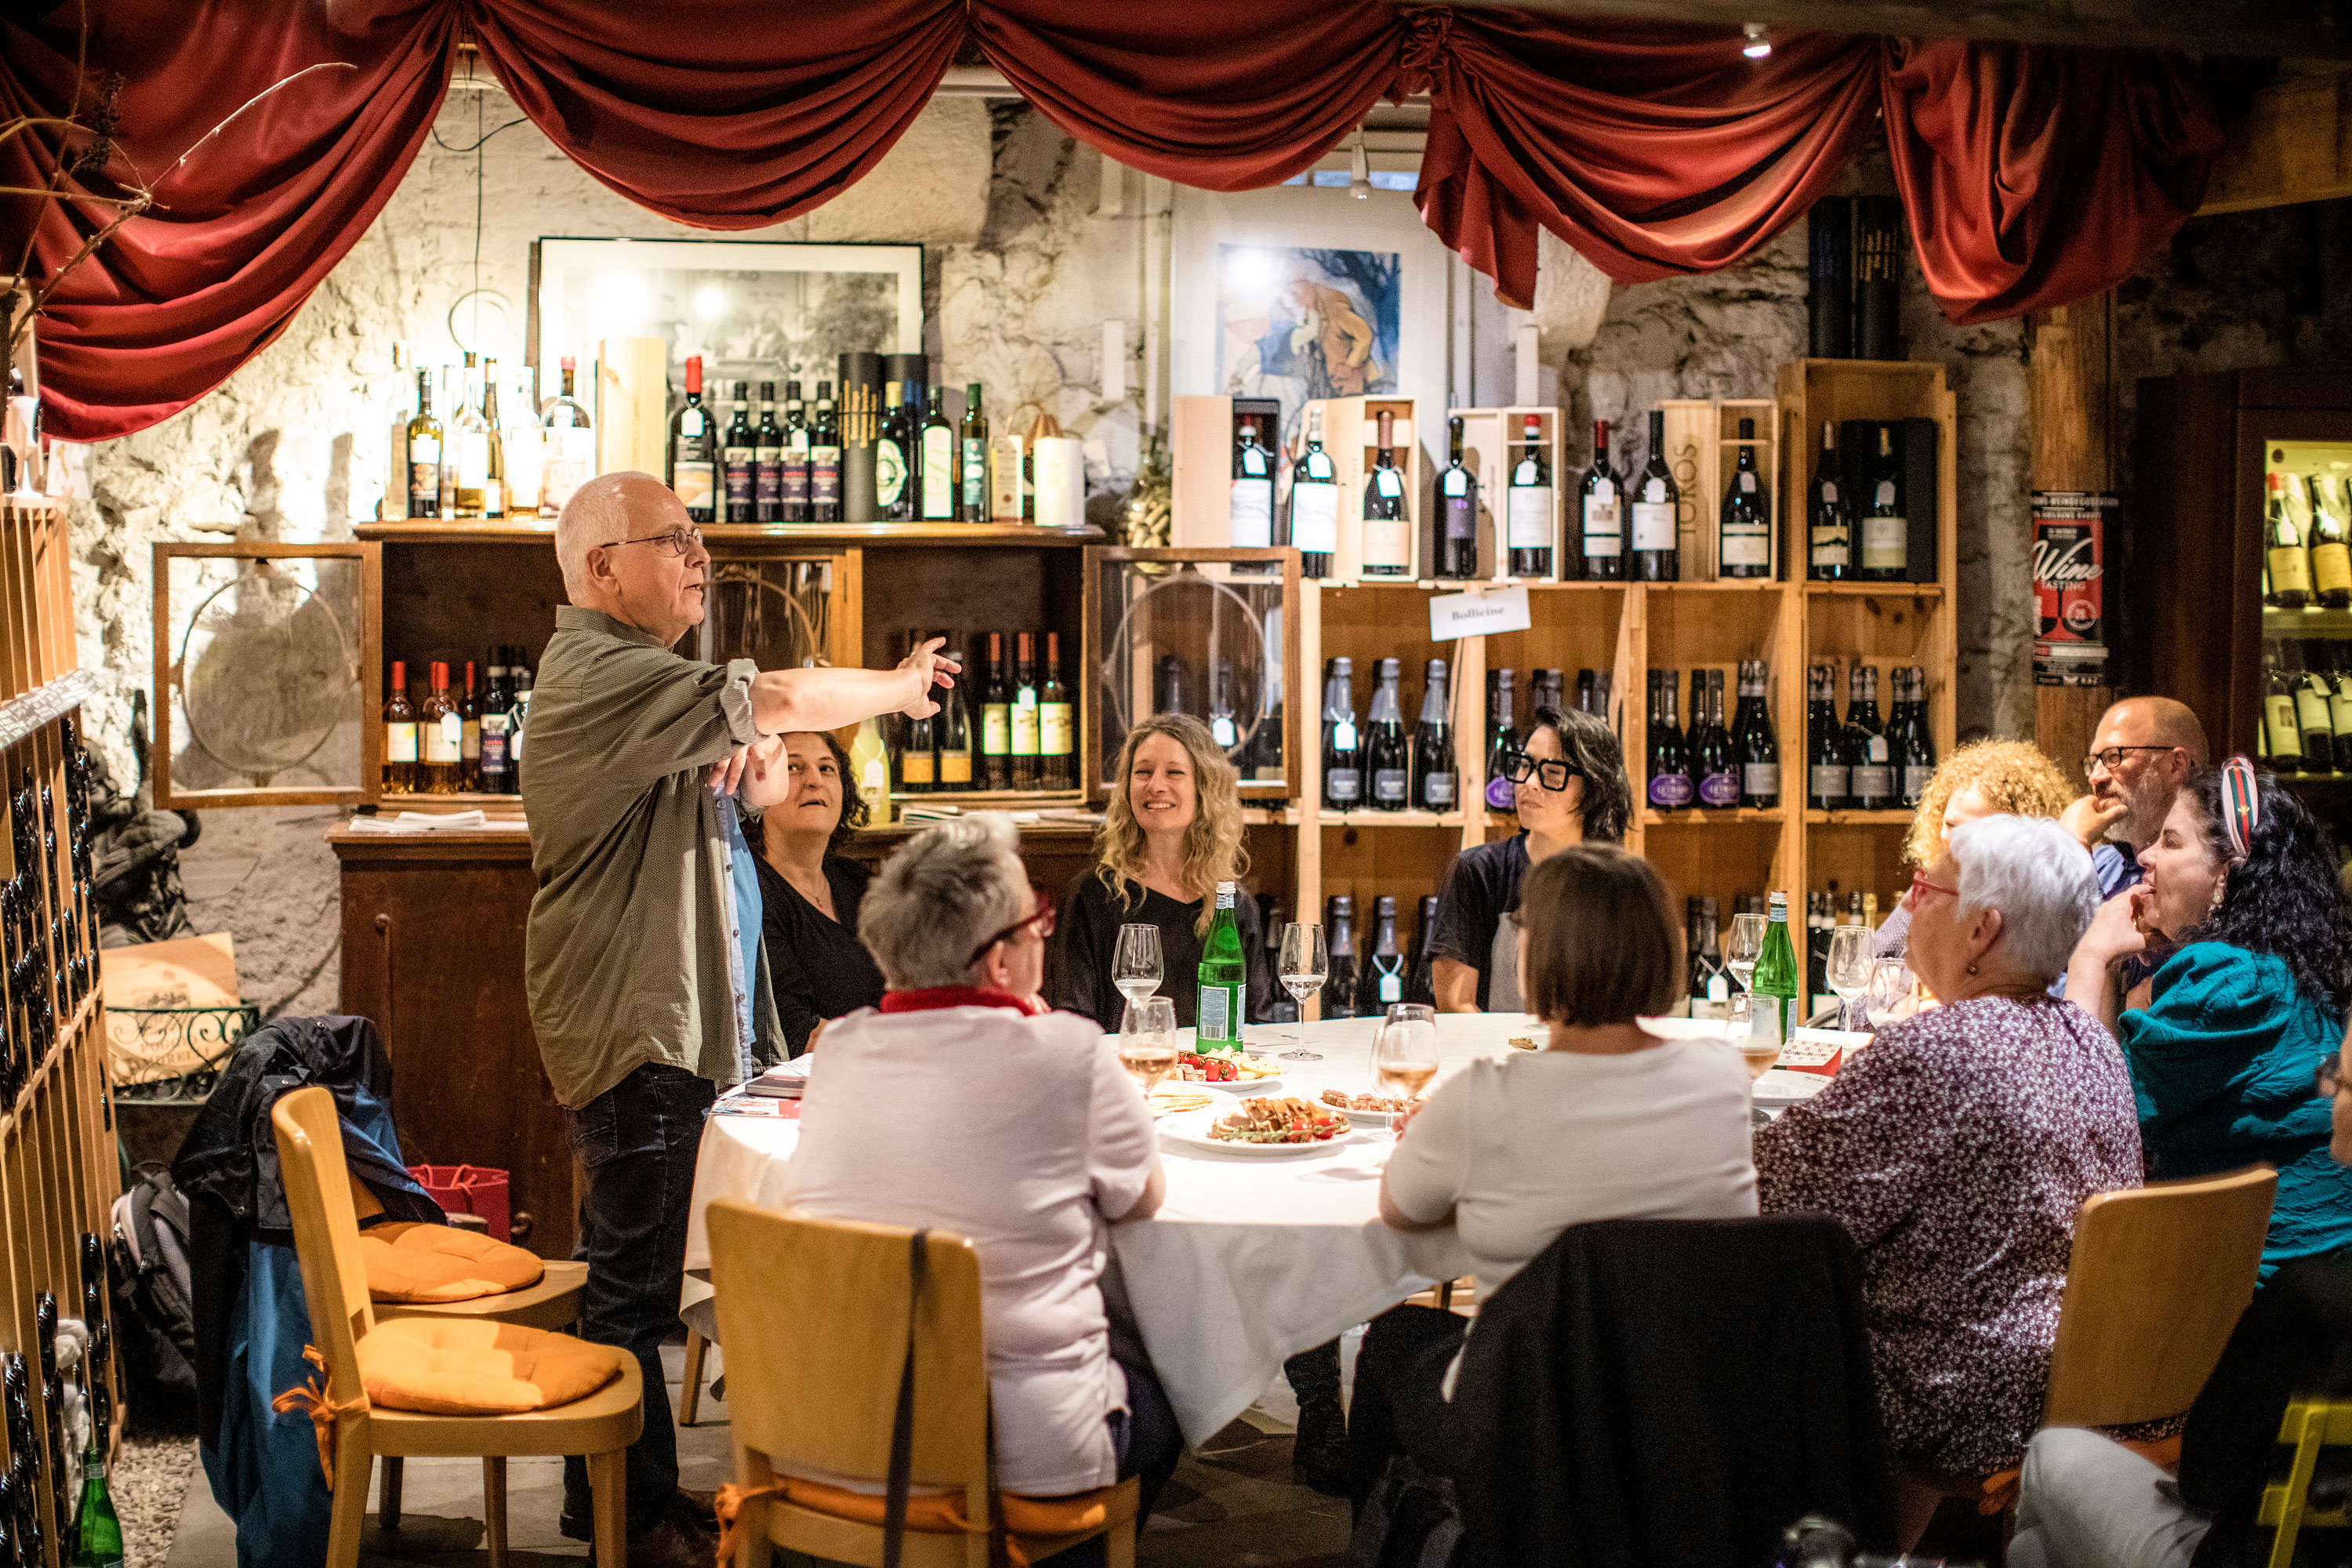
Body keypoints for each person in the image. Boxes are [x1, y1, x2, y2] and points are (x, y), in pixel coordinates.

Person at [522, 471, 956, 1567]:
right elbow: (785, 700)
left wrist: (750, 763)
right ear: (600, 568)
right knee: (632, 1288)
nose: (698, 556)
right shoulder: (601, 671)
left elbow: (751, 785)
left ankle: (605, 1498)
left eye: (697, 536)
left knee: (634, 1271)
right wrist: (899, 689)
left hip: (672, 1020)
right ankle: (632, 1515)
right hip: (639, 1021)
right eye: (671, 539)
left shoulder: (646, 680)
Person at [779, 815, 1181, 1553]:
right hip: (1025, 1457)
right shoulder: (1070, 1053)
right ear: (999, 962)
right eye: (1039, 922)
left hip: (839, 1435)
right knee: (1178, 1382)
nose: (1045, 936)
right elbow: (1144, 1200)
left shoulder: (837, 1052)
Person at [1756, 815, 2142, 1548]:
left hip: (1951, 1399)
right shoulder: (2093, 1039)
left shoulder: (1936, 1052)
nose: (1908, 902)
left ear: (1982, 930)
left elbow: (1763, 1193)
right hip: (2075, 1386)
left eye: (1925, 887)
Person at [1346, 844, 1758, 1511]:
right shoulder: (1721, 1077)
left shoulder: (1483, 1097)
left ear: (1536, 956)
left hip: (1528, 1416)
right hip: (1686, 1408)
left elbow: (1399, 1210)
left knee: (1392, 1339)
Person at [2008, 1025, 2352, 1568]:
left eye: (2344, 1081)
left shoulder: (2315, 1297)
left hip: (2256, 1557)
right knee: (2037, 1548)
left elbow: (2205, 1478)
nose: (2327, 1090)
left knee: (2051, 1451)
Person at [2066, 758, 2352, 1278]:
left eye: (2171, 843)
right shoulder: (2296, 964)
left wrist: (2090, 956)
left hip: (2255, 1294)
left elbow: (2088, 1122)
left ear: (2226, 872)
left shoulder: (2228, 977)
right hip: (2325, 1274)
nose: (2147, 857)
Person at [1055, 713, 1270, 1032]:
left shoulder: (1233, 905)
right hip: (1126, 1076)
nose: (1155, 786)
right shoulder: (1091, 895)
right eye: (1143, 772)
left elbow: (1256, 1024)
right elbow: (1072, 1025)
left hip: (1213, 1078)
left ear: (1204, 789)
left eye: (1174, 773)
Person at [1428, 706, 1632, 1013]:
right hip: (1498, 1055)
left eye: (1552, 772)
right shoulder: (1478, 871)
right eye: (1525, 766)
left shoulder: (1616, 881)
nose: (1528, 783)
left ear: (1594, 787)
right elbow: (1456, 1004)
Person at [739, 729, 884, 1056]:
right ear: (756, 793)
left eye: (827, 768)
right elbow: (793, 1030)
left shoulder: (857, 881)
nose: (814, 780)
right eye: (793, 767)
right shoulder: (751, 892)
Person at [1875, 739, 2077, 956]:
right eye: (1950, 825)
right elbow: (1867, 968)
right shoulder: (1931, 890)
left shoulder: (2043, 911)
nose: (1957, 843)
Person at [2060, 695, 2210, 900]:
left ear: (2175, 765)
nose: (2095, 778)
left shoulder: (2210, 873)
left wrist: (2072, 847)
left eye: (2114, 756)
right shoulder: (2100, 862)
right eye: (2094, 763)